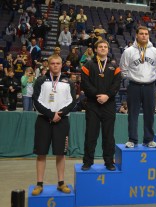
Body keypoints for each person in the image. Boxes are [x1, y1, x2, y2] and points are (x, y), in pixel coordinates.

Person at [31, 55, 76, 196]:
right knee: (41, 153)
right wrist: (51, 114)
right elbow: (36, 101)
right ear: (48, 65)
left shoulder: (69, 82)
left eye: (58, 63)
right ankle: (39, 184)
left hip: (61, 122)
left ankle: (61, 183)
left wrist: (60, 114)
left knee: (60, 153)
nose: (55, 66)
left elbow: (72, 102)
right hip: (43, 120)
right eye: (52, 63)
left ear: (62, 65)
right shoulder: (40, 81)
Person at [81, 40, 122, 171]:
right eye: (100, 47)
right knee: (91, 134)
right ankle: (88, 161)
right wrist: (98, 95)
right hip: (93, 104)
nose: (103, 49)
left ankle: (109, 162)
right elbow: (85, 84)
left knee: (108, 135)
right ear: (95, 49)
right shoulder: (88, 65)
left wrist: (107, 96)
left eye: (105, 47)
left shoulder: (114, 67)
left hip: (109, 105)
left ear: (108, 49)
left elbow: (116, 85)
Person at [120, 26, 156, 148]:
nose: (144, 36)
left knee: (150, 114)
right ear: (136, 35)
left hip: (149, 86)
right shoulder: (128, 51)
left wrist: (149, 77)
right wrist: (134, 77)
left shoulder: (155, 51)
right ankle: (132, 139)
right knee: (132, 114)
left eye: (146, 34)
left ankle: (148, 139)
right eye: (141, 34)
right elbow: (123, 69)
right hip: (134, 86)